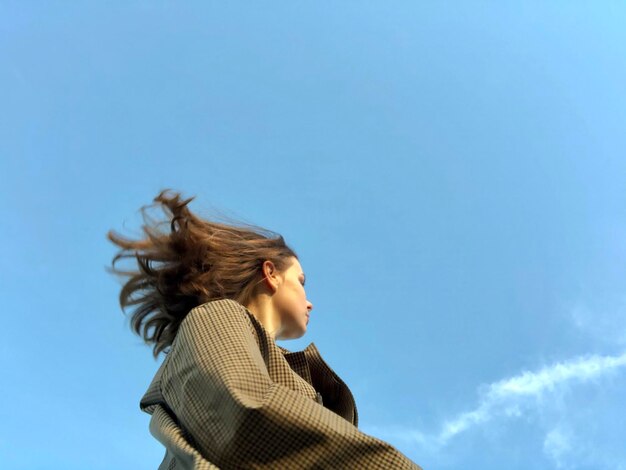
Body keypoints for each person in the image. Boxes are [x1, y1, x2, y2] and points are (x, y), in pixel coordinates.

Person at [108, 190, 421, 469]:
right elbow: (248, 414)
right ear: (270, 273)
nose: (310, 303)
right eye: (301, 282)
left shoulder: (274, 359)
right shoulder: (217, 316)